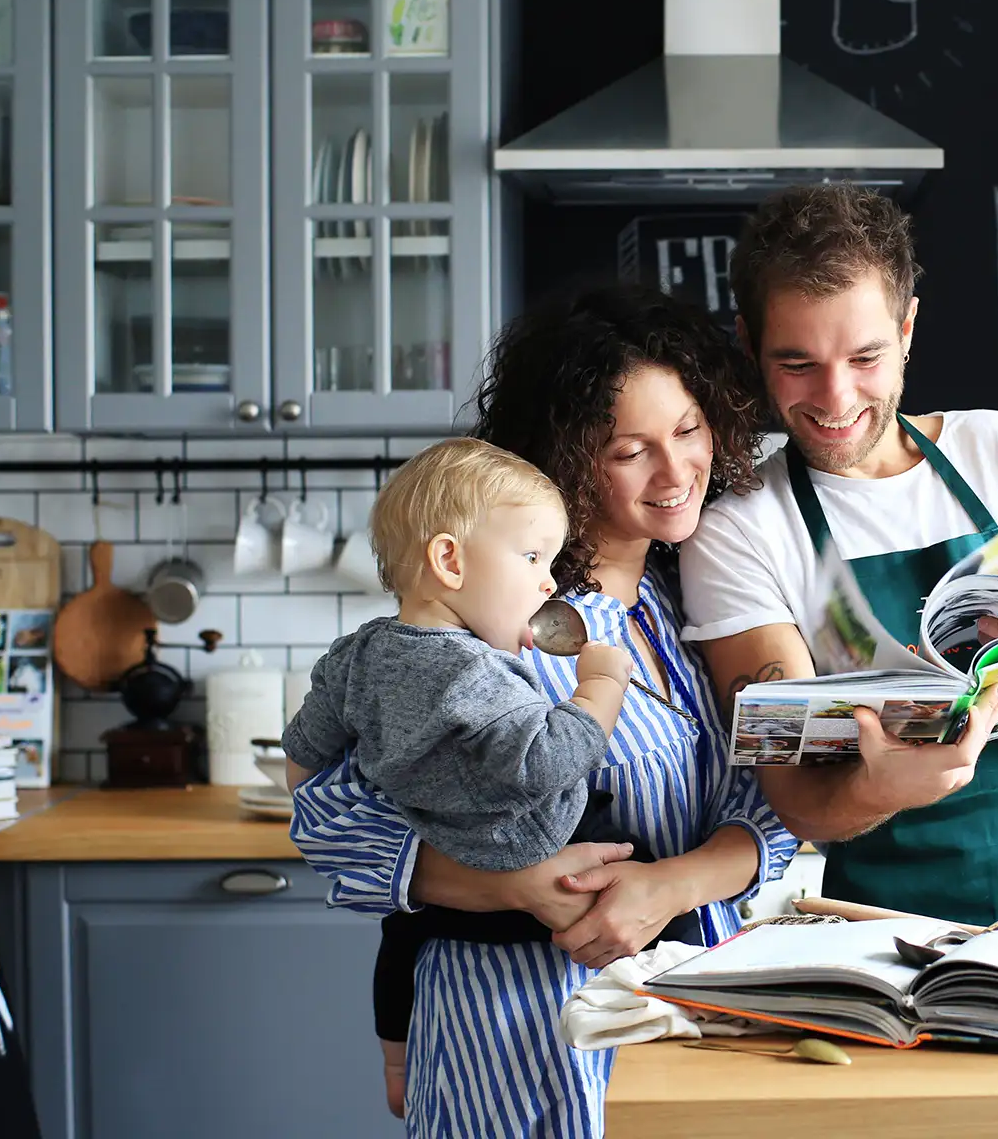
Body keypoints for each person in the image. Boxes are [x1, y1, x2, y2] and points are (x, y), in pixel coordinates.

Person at [286, 286, 818, 1137]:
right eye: (629, 450)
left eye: (688, 431)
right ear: (568, 458)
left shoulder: (715, 593)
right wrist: (514, 884)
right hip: (517, 1030)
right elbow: (327, 822)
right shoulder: (493, 627)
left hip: (704, 1013)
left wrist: (676, 882)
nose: (677, 472)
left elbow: (785, 797)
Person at [680, 183, 998, 927]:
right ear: (750, 344)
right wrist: (887, 786)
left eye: (865, 356)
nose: (835, 397)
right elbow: (799, 798)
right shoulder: (739, 529)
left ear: (908, 328)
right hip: (892, 940)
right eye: (797, 363)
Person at [279, 437, 702, 1106]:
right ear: (449, 560)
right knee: (647, 879)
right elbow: (552, 759)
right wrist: (600, 685)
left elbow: (304, 753)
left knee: (406, 933)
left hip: (442, 863)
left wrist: (320, 787)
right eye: (533, 558)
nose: (546, 581)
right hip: (531, 857)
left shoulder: (355, 654)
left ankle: (397, 1067)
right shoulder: (475, 671)